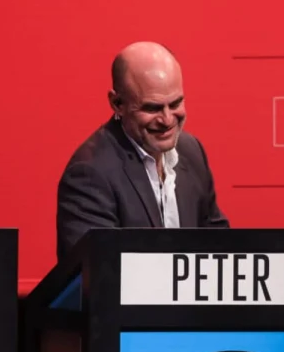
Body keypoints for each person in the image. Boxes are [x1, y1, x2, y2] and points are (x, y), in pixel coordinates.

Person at [56, 41, 229, 263]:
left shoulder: (192, 151)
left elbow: (220, 245)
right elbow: (97, 274)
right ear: (117, 103)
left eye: (175, 103)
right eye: (152, 108)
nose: (167, 120)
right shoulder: (89, 174)